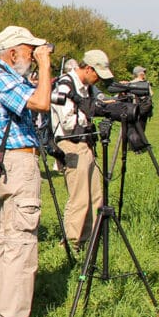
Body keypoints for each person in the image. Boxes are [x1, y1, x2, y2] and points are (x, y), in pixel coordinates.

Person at [0, 25, 53, 317]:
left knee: (5, 240)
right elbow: (42, 102)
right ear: (12, 52)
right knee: (22, 241)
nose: (33, 57)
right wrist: (46, 65)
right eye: (28, 51)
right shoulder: (3, 79)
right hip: (18, 163)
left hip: (6, 163)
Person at [51, 50, 113, 251]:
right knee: (79, 197)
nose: (98, 81)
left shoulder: (85, 87)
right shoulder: (65, 85)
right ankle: (71, 243)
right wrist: (88, 112)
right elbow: (67, 122)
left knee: (95, 195)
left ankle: (90, 239)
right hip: (71, 143)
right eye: (97, 75)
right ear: (88, 68)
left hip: (86, 143)